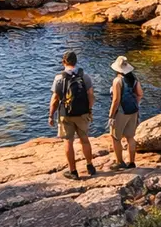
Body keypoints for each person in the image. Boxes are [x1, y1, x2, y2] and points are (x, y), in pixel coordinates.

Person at [48, 50, 96, 179]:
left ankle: (73, 171)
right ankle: (90, 165)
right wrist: (89, 109)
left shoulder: (59, 78)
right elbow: (91, 95)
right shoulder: (84, 76)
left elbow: (55, 100)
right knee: (85, 140)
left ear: (64, 62)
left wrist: (51, 115)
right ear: (76, 61)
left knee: (68, 142)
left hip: (65, 114)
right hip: (83, 113)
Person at [107, 55, 144, 170]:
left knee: (115, 137)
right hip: (133, 111)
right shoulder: (134, 79)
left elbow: (116, 100)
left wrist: (111, 115)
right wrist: (135, 104)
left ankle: (119, 162)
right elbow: (140, 94)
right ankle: (132, 163)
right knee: (130, 137)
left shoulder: (117, 81)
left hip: (121, 112)